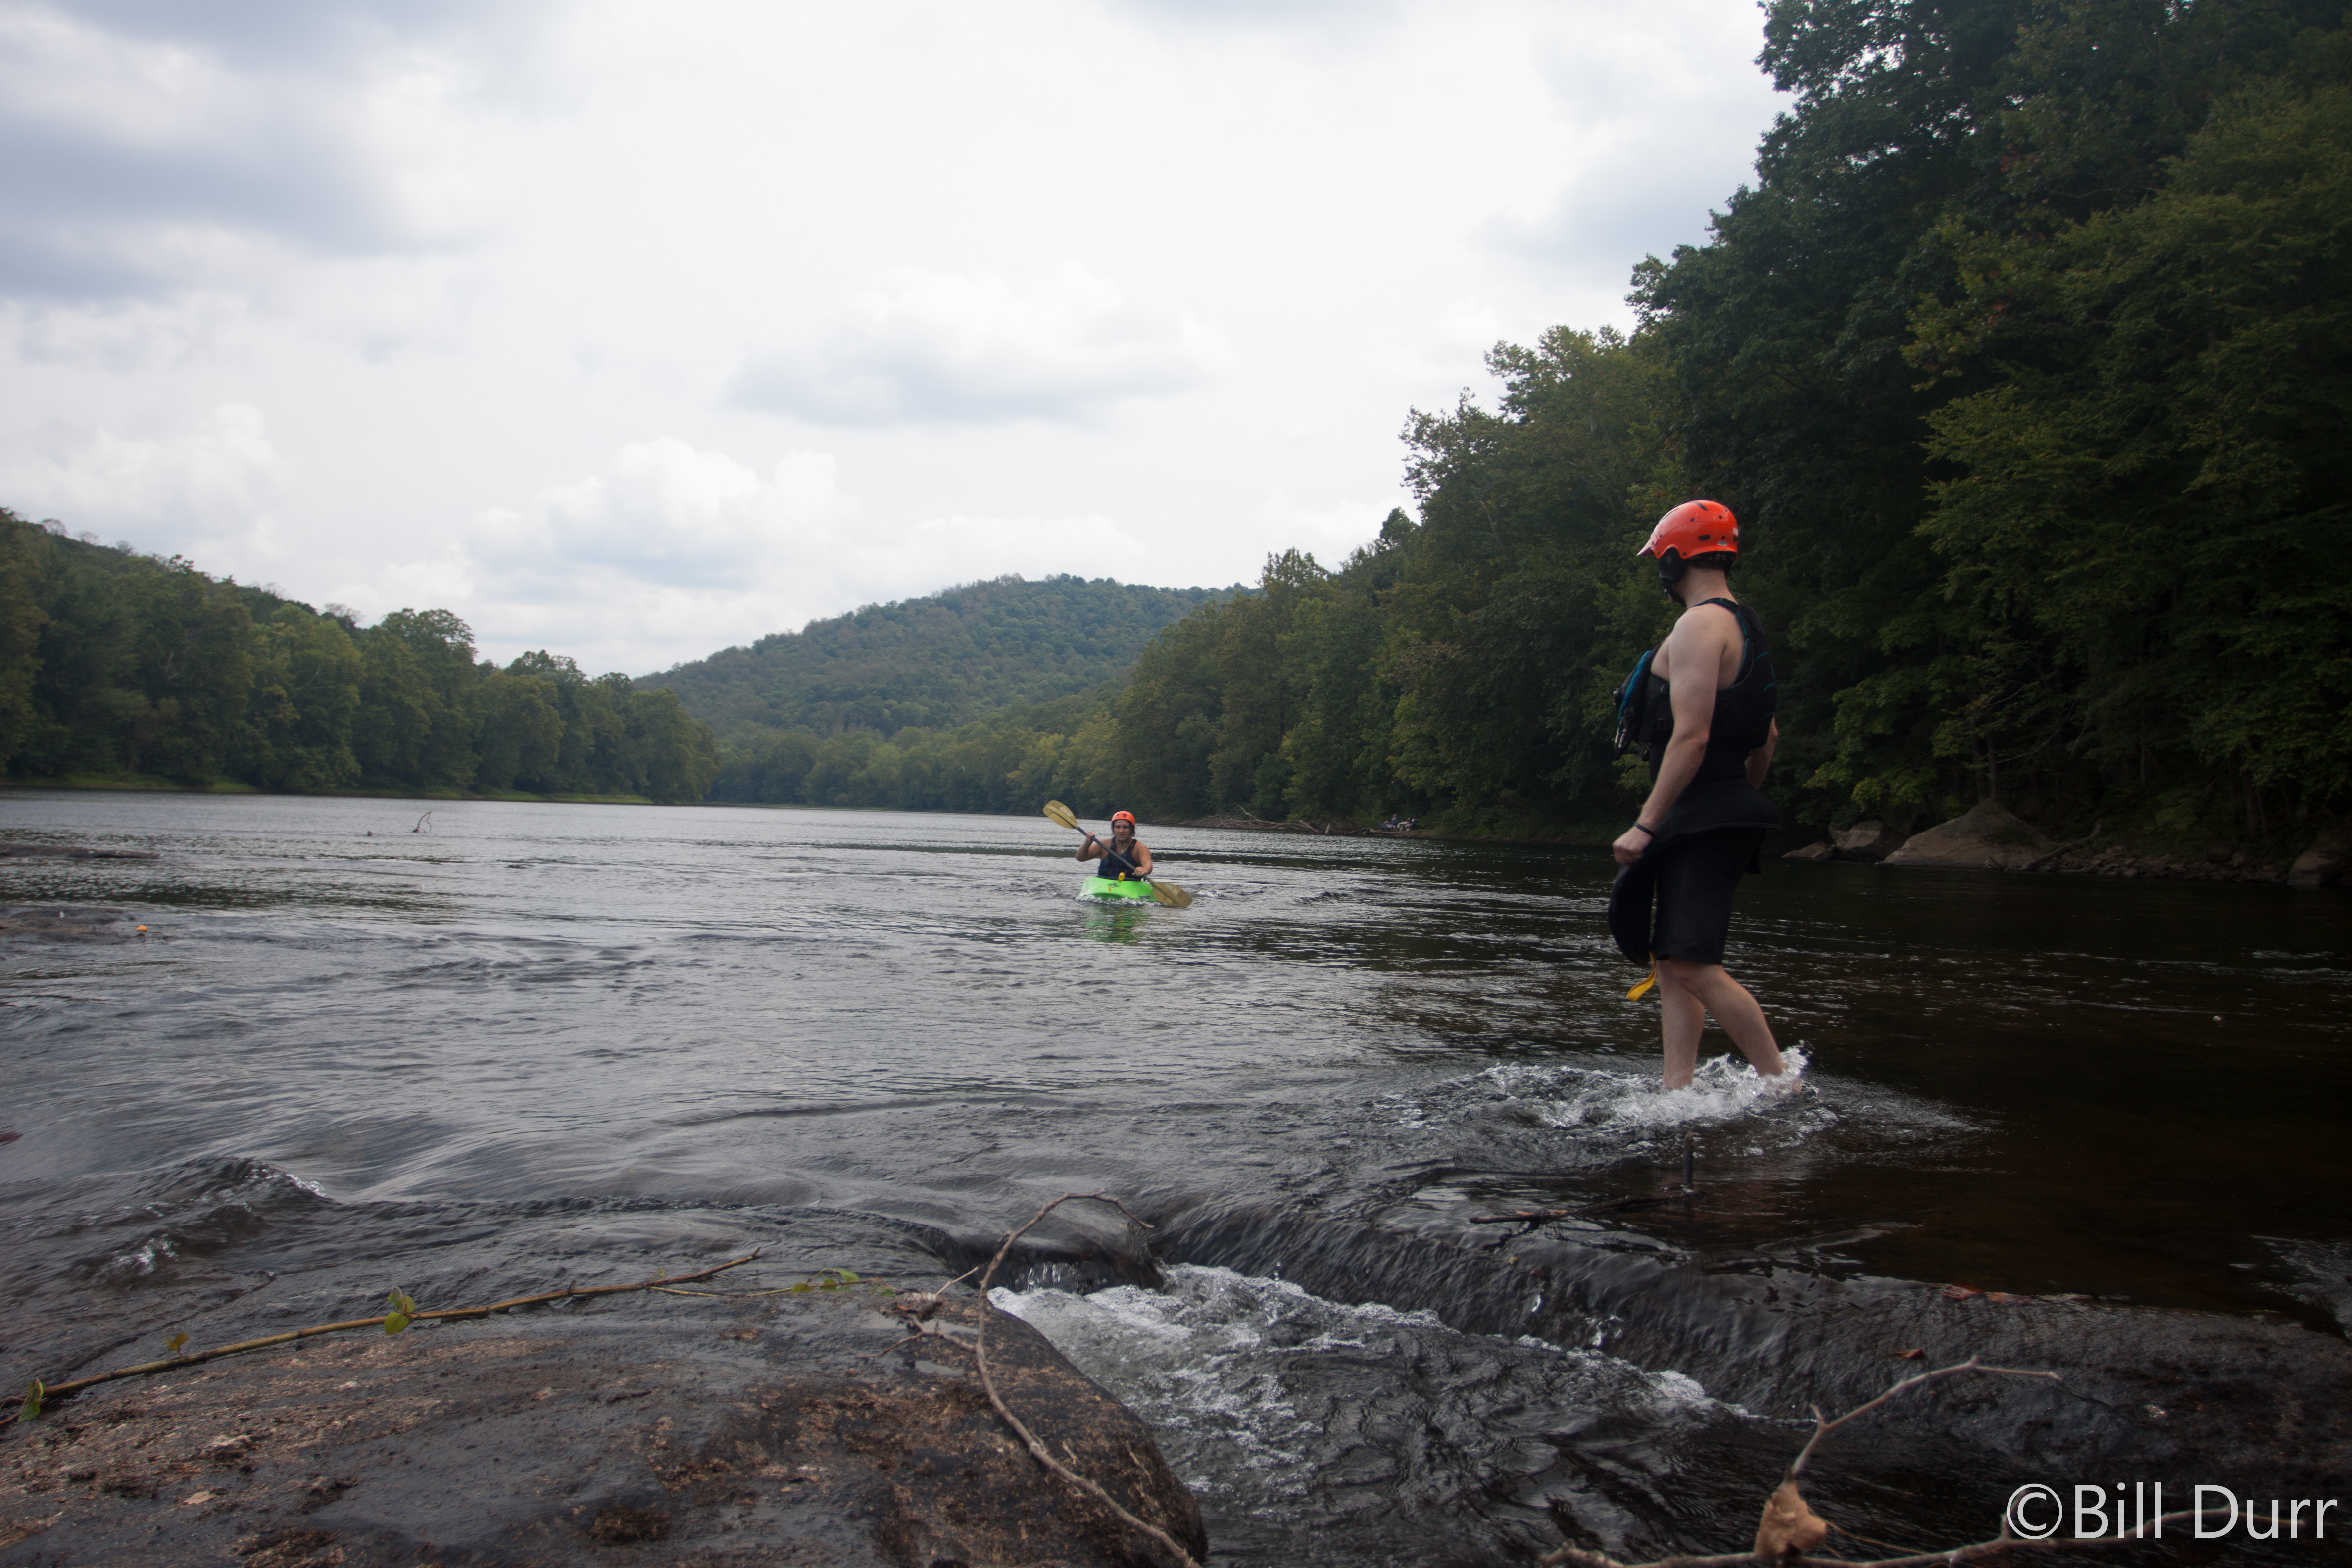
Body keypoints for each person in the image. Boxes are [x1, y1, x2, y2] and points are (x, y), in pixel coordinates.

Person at [1609, 500, 1796, 1092]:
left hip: (1698, 814)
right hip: (1715, 811)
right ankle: (1678, 1089)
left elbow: (1691, 736)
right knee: (1673, 961)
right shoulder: (1746, 625)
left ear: (1673, 560)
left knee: (1693, 964)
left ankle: (1783, 1086)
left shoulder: (1697, 626)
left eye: (1658, 562)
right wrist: (1738, 801)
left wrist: (1646, 824)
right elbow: (1767, 737)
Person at [1078, 810, 1154, 881]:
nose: (1121, 831)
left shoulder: (1140, 848)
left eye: (1125, 827)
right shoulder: (1104, 845)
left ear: (1132, 829)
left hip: (1130, 887)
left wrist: (1144, 869)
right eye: (1118, 827)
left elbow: (1148, 865)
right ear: (1113, 829)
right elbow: (1080, 858)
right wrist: (1087, 843)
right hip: (1104, 886)